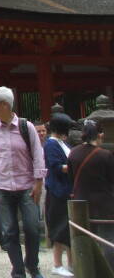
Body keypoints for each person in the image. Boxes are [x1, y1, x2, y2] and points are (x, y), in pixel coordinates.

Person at [0, 86, 46, 278]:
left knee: (33, 229)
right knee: (8, 231)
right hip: (2, 187)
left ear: (4, 105)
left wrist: (38, 182)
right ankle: (18, 270)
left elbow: (38, 155)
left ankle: (32, 266)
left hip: (27, 186)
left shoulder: (27, 127)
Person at [68, 119, 114, 272]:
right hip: (104, 204)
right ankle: (109, 270)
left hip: (80, 204)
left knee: (83, 239)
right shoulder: (106, 155)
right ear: (100, 134)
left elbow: (71, 178)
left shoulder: (73, 153)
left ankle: (85, 270)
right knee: (108, 239)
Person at [43, 113, 74, 277]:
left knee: (69, 228)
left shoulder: (62, 143)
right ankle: (57, 263)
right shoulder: (50, 145)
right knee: (59, 227)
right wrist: (75, 166)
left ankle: (71, 263)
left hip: (68, 189)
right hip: (57, 190)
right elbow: (55, 167)